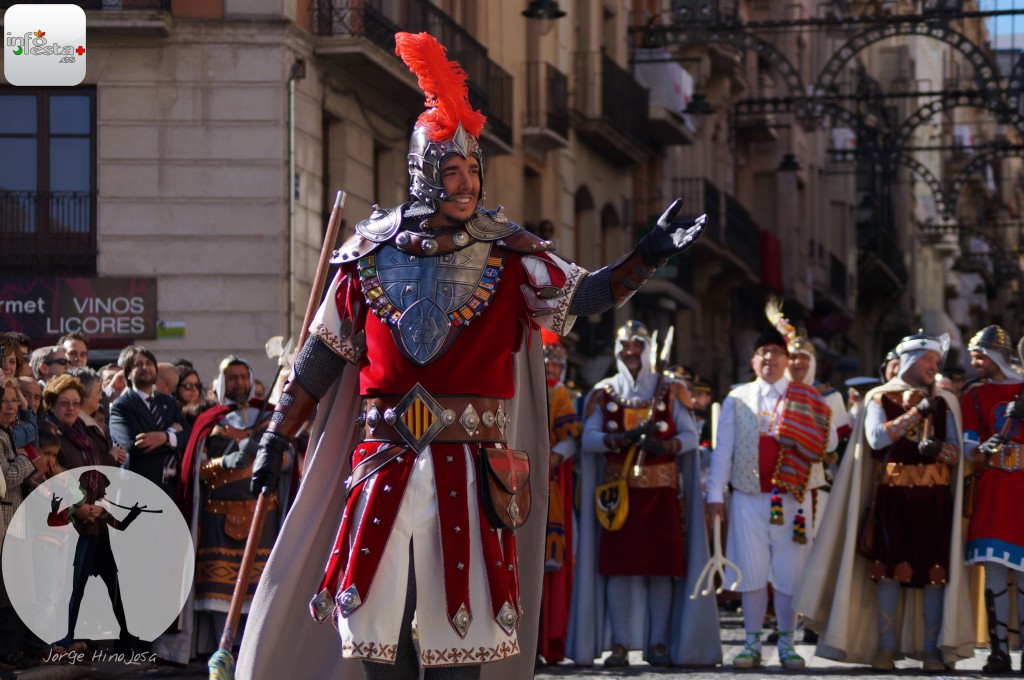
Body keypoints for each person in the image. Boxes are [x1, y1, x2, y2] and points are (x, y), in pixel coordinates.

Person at [235, 31, 705, 680]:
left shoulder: (513, 254)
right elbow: (322, 356)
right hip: (385, 464)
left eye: (473, 169)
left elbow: (586, 295)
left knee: (466, 638)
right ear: (421, 171)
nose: (465, 183)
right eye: (450, 170)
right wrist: (274, 439)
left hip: (473, 468)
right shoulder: (366, 254)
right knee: (378, 633)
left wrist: (648, 255)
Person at [797, 330, 973, 671]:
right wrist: (916, 413)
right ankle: (886, 648)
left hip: (934, 498)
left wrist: (939, 449)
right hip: (892, 496)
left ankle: (931, 650)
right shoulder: (879, 398)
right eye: (927, 359)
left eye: (936, 360)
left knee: (935, 573)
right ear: (909, 360)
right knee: (888, 571)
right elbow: (876, 440)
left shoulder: (945, 401)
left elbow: (955, 454)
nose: (932, 365)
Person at [570, 321, 719, 668]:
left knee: (660, 569)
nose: (631, 353)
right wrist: (621, 438)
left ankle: (658, 643)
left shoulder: (671, 390)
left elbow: (692, 437)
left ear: (648, 350)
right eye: (625, 346)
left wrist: (664, 444)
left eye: (637, 346)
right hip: (617, 499)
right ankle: (620, 644)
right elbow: (589, 439)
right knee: (619, 569)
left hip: (661, 494)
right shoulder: (604, 392)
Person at [706, 318, 832, 670]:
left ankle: (788, 644)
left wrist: (803, 433)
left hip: (796, 498)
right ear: (753, 361)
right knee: (750, 572)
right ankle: (751, 645)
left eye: (776, 353)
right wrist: (715, 494)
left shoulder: (807, 397)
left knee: (790, 573)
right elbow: (723, 451)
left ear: (787, 359)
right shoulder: (737, 398)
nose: (769, 359)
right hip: (748, 496)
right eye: (763, 353)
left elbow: (830, 443)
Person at [179, 355, 288, 656]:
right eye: (233, 377)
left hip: (262, 519)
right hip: (217, 519)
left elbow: (290, 461)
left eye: (243, 376)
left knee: (259, 591)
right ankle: (221, 653)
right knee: (218, 591)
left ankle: (254, 652)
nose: (239, 382)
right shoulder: (209, 420)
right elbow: (194, 470)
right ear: (222, 382)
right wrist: (224, 462)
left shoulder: (270, 418)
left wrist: (267, 457)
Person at [960, 326, 1024, 673]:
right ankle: (999, 652)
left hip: (1023, 492)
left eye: (980, 355)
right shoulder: (972, 396)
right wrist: (980, 449)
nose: (974, 362)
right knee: (995, 572)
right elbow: (969, 441)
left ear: (997, 355)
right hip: (992, 492)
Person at [47, 469, 145, 652]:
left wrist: (133, 513)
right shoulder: (87, 509)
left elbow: (119, 525)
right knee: (78, 593)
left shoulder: (98, 510)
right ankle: (67, 636)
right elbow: (119, 525)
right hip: (87, 549)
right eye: (102, 486)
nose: (105, 492)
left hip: (101, 550)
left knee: (103, 592)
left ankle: (124, 633)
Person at [536, 331, 581, 665]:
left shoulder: (559, 392)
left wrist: (546, 461)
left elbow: (569, 441)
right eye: (547, 359)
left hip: (544, 485)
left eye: (556, 362)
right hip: (510, 480)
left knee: (544, 567)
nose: (551, 367)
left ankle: (544, 639)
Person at [108, 346, 188, 496]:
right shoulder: (122, 406)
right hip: (140, 492)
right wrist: (171, 434)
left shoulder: (168, 402)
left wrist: (163, 437)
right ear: (128, 374)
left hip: (172, 487)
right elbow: (136, 446)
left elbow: (188, 436)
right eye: (138, 364)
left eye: (149, 363)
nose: (145, 367)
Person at [44, 375, 121, 471]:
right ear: (51, 405)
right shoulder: (49, 434)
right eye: (65, 403)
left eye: (76, 403)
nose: (71, 408)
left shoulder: (83, 432)